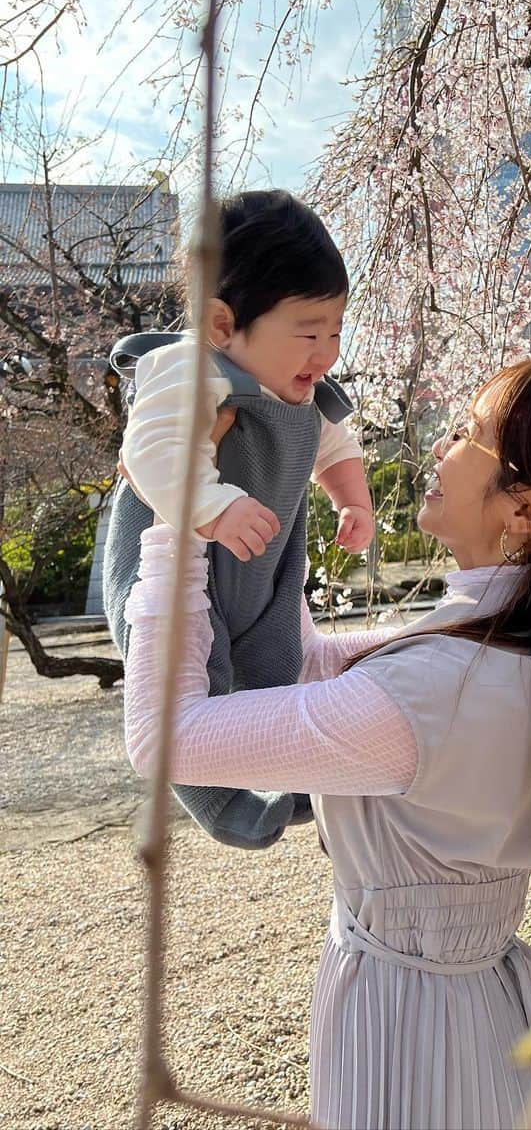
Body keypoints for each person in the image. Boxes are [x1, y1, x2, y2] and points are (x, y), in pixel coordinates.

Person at [122, 356, 531, 1130]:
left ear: (525, 509)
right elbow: (310, 663)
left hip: (406, 1016)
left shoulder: (435, 690)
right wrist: (269, 475)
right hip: (482, 999)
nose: (439, 449)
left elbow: (165, 739)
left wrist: (172, 523)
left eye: (467, 433)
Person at [105, 189, 374, 849]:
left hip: (262, 573)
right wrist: (215, 507)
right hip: (174, 574)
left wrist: (352, 499)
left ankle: (293, 777)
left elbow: (332, 447)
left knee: (277, 667)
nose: (327, 353)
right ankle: (220, 803)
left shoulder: (299, 391)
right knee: (194, 680)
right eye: (310, 334)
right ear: (223, 325)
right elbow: (151, 451)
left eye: (336, 331)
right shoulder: (190, 369)